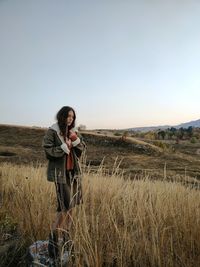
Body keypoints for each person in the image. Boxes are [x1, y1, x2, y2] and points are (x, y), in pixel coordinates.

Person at [42, 106, 85, 259]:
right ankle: (53, 245)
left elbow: (81, 150)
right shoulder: (53, 131)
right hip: (60, 175)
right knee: (64, 208)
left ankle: (67, 241)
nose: (70, 119)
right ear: (61, 116)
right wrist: (62, 148)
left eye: (72, 117)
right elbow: (47, 149)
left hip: (73, 174)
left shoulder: (73, 133)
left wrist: (75, 140)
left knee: (72, 207)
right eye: (67, 116)